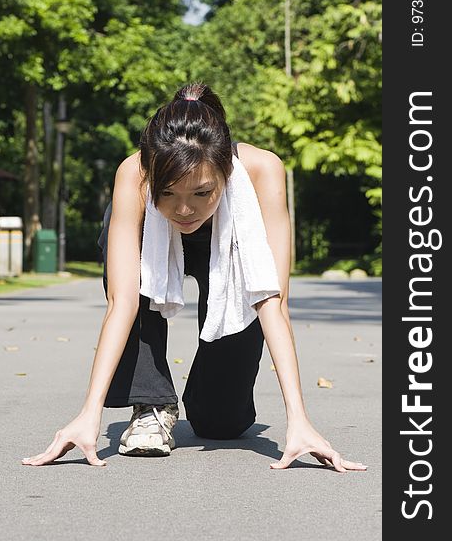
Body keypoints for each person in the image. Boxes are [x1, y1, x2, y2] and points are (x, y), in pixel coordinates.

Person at [22, 82, 367, 472]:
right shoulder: (133, 174)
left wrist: (299, 420)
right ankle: (151, 401)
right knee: (124, 249)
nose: (184, 209)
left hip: (233, 253)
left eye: (202, 193)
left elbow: (272, 300)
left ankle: (210, 399)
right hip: (149, 247)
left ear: (226, 172)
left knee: (222, 423)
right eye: (167, 193)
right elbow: (123, 302)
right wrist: (89, 413)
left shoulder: (261, 171)